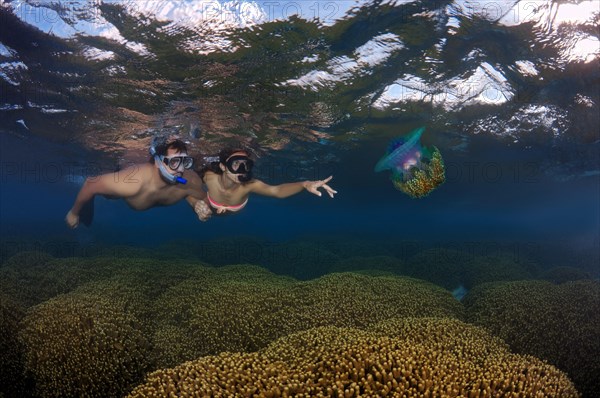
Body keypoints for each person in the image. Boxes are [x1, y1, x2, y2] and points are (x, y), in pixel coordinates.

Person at [65, 138, 209, 228]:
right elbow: (91, 183)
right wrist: (73, 213)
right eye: (174, 162)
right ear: (158, 163)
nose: (181, 169)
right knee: (110, 195)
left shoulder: (189, 180)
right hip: (126, 169)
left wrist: (196, 205)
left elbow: (198, 196)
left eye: (185, 162)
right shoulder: (132, 182)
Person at [191, 148, 337, 218]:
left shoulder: (250, 185)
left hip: (235, 210)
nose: (242, 170)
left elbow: (276, 191)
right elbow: (186, 185)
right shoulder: (209, 177)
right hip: (211, 203)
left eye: (246, 165)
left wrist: (304, 184)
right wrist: (196, 204)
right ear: (223, 167)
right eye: (236, 164)